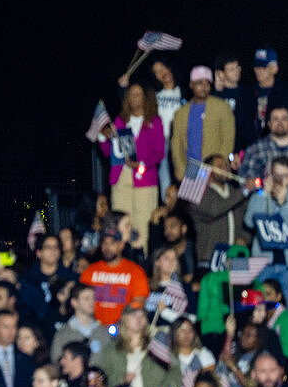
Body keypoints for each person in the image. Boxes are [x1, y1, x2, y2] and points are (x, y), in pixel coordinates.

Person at [99, 84, 166, 250]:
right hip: (121, 178)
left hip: (144, 178)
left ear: (145, 97)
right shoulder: (120, 121)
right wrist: (103, 136)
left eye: (137, 94)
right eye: (130, 94)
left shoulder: (154, 121)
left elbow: (159, 152)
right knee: (120, 223)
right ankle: (123, 260)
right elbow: (109, 153)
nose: (133, 98)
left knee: (142, 223)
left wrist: (141, 164)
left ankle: (140, 262)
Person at [243, 155, 288, 315]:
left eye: (285, 175)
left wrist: (283, 203)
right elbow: (249, 222)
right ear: (270, 175)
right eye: (276, 175)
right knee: (258, 312)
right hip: (264, 265)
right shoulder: (259, 197)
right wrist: (264, 195)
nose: (280, 180)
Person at [91, 301, 181, 387]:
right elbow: (101, 378)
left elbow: (175, 371)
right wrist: (121, 380)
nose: (139, 318)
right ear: (125, 319)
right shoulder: (112, 350)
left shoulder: (158, 346)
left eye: (142, 315)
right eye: (133, 315)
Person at [186, 154, 249, 276]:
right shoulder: (199, 194)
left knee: (238, 293)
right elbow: (214, 210)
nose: (225, 169)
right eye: (219, 166)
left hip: (235, 257)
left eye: (226, 165)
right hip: (210, 258)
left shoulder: (235, 193)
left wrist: (245, 238)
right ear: (208, 171)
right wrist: (244, 191)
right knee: (214, 293)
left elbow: (247, 221)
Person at [170, 65, 235, 182]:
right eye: (199, 83)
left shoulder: (222, 107)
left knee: (214, 200)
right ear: (191, 85)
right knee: (191, 200)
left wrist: (219, 167)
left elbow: (228, 138)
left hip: (213, 170)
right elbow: (176, 143)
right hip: (190, 169)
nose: (203, 87)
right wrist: (180, 170)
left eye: (207, 83)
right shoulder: (181, 113)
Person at [79, 227, 149, 326]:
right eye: (104, 243)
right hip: (95, 328)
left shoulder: (135, 272)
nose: (107, 247)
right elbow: (81, 301)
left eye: (112, 243)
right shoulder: (90, 271)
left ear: (121, 245)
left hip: (124, 328)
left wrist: (124, 324)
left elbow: (139, 302)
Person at [50, 284, 111, 376]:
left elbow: (110, 361)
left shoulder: (103, 332)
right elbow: (56, 362)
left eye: (93, 298)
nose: (91, 302)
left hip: (99, 385)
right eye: (86, 299)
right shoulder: (63, 334)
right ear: (74, 302)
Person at [249, 48, 288, 144]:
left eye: (264, 67)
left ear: (275, 68)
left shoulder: (287, 93)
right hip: (251, 149)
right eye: (257, 66)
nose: (259, 70)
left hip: (279, 147)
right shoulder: (247, 93)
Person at [150, 57, 185, 196]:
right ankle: (167, 201)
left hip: (181, 140)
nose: (162, 73)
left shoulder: (184, 91)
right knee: (163, 171)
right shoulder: (154, 96)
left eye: (163, 68)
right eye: (157, 72)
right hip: (162, 139)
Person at [213, 51, 256, 151]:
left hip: (242, 149)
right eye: (231, 69)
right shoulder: (215, 96)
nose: (236, 71)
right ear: (221, 73)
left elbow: (248, 126)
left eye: (237, 67)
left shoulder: (247, 94)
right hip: (218, 148)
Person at [147, 246, 195, 326]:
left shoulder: (184, 287)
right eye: (167, 258)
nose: (171, 262)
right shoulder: (147, 286)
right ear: (157, 262)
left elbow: (192, 319)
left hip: (173, 333)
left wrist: (166, 312)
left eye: (174, 258)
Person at [259, 278, 288, 370]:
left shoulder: (287, 318)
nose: (263, 298)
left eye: (268, 294)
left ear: (278, 297)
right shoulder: (260, 316)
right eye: (261, 294)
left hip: (285, 367)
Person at [171, 317, 216, 383]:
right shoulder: (168, 356)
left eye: (190, 330)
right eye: (182, 330)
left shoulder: (203, 353)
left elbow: (210, 378)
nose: (187, 334)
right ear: (174, 333)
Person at [157, 214, 198, 284]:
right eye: (165, 228)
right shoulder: (162, 251)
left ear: (183, 229)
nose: (168, 232)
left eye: (172, 227)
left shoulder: (195, 248)